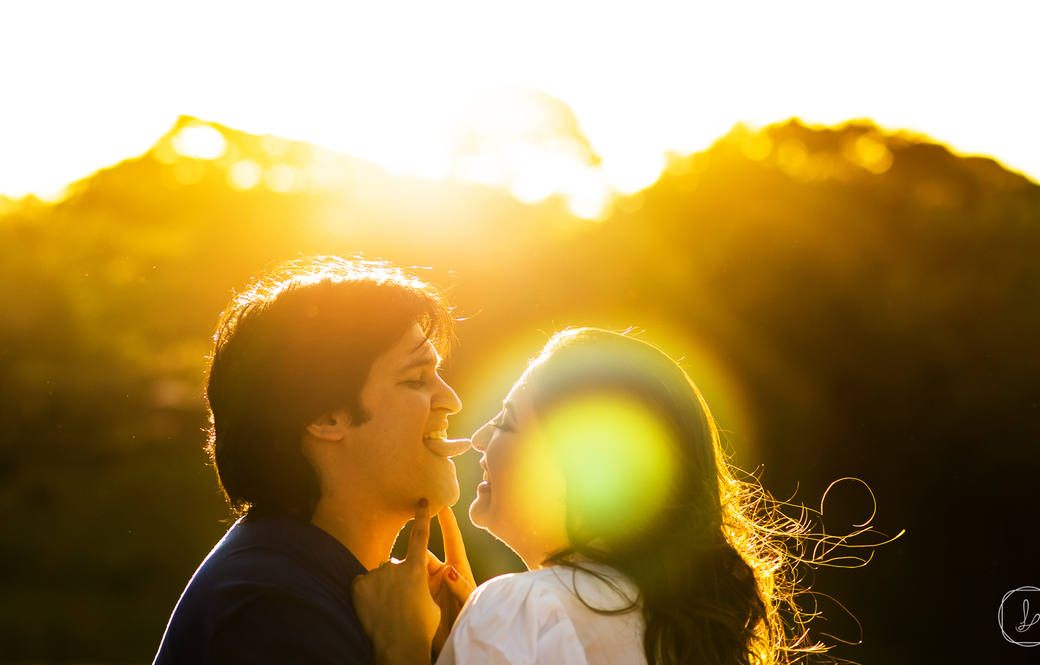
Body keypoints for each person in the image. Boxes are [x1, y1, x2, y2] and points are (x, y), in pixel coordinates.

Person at [357, 327, 819, 665]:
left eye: (506, 423)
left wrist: (403, 650)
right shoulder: (670, 625)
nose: (478, 439)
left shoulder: (525, 612)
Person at [153, 256, 477, 665]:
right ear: (325, 417)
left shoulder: (340, 588)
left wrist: (459, 648)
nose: (451, 400)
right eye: (415, 379)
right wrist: (405, 654)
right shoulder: (271, 607)